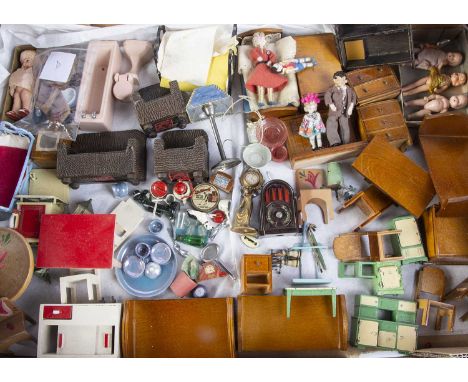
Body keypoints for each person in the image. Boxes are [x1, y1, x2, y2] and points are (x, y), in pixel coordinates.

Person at [245, 32, 288, 106]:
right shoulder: (255, 50)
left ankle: (270, 100)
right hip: (259, 67)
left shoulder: (267, 51)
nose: (260, 43)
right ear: (255, 42)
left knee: (270, 84)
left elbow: (273, 56)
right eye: (258, 41)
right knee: (260, 84)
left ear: (264, 42)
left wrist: (270, 61)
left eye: (262, 41)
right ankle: (260, 100)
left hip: (267, 68)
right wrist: (258, 57)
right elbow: (252, 53)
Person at [324, 71, 356, 146]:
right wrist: (331, 104)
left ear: (346, 81)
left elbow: (353, 98)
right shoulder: (332, 89)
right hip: (334, 111)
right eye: (338, 80)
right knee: (331, 123)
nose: (341, 82)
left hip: (344, 111)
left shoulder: (349, 90)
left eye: (343, 80)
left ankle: (346, 142)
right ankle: (335, 142)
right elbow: (327, 96)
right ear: (334, 80)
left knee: (345, 125)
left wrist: (351, 107)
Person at [6, 49, 36, 121]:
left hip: (28, 90)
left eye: (28, 60)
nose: (24, 63)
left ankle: (26, 109)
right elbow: (13, 78)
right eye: (22, 61)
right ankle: (15, 112)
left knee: (25, 94)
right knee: (16, 96)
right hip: (18, 90)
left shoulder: (34, 71)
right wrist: (13, 88)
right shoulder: (19, 71)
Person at [402, 68, 466, 97]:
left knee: (417, 89)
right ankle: (404, 89)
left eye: (457, 77)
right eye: (457, 74)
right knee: (415, 83)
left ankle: (406, 94)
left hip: (430, 85)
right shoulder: (446, 75)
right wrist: (439, 68)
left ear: (455, 83)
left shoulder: (447, 84)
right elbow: (439, 73)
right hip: (429, 78)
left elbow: (440, 90)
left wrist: (437, 90)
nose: (455, 74)